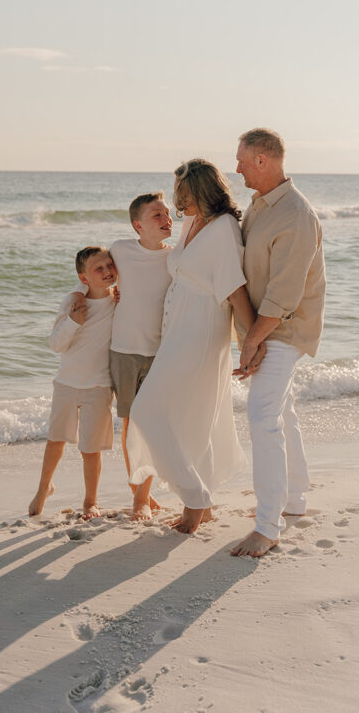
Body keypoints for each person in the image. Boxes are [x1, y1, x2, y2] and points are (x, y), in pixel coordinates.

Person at [127, 159, 262, 534]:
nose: (177, 200)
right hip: (178, 330)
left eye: (183, 194)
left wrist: (250, 343)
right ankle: (202, 503)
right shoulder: (192, 222)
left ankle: (195, 499)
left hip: (201, 330)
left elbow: (236, 291)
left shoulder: (222, 229)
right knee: (195, 417)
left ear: (202, 190)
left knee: (147, 410)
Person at [230, 128, 326, 559]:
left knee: (261, 413)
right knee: (281, 410)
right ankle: (294, 499)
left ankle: (267, 527)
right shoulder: (260, 205)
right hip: (265, 328)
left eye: (242, 160)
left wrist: (253, 340)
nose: (237, 168)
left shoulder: (295, 214)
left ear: (263, 160)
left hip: (283, 328)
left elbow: (285, 295)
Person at [28, 246, 117, 520]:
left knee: (90, 448)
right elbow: (56, 344)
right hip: (67, 382)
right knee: (56, 440)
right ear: (84, 277)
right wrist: (74, 321)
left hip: (100, 386)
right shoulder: (73, 302)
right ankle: (44, 488)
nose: (106, 271)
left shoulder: (120, 299)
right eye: (97, 269)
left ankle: (90, 501)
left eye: (108, 265)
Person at [109, 192, 173, 521]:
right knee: (129, 424)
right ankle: (139, 491)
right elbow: (96, 277)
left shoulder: (175, 257)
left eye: (167, 213)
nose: (167, 219)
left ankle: (142, 498)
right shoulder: (120, 250)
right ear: (138, 225)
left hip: (159, 353)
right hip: (122, 351)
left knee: (147, 424)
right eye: (157, 216)